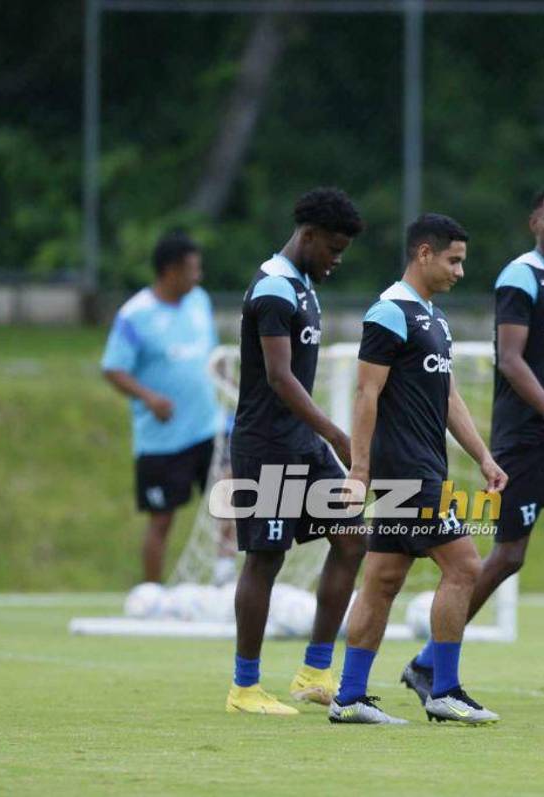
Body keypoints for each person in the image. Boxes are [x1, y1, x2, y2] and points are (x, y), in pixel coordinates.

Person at [401, 183, 544, 708]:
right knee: (507, 556)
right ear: (535, 223)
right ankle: (424, 664)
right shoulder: (519, 277)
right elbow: (510, 360)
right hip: (526, 438)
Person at [329, 213, 507, 725]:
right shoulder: (389, 313)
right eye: (453, 260)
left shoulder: (435, 319)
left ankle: (348, 698)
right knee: (466, 567)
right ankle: (442, 688)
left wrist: (484, 456)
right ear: (423, 254)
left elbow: (448, 397)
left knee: (382, 579)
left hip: (424, 467)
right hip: (405, 472)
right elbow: (367, 393)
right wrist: (359, 469)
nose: (460, 271)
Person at [225, 187, 368, 715]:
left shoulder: (304, 285)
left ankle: (313, 672)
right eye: (331, 248)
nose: (336, 260)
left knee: (353, 538)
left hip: (301, 443)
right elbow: (279, 377)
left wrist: (319, 436)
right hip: (267, 445)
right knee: (266, 558)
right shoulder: (274, 290)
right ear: (306, 236)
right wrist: (336, 432)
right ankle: (244, 688)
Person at [101, 232, 229, 584]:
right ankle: (152, 592)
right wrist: (148, 397)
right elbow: (112, 368)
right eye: (192, 269)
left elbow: (211, 356)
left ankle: (225, 574)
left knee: (229, 493)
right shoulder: (135, 315)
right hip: (162, 438)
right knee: (161, 519)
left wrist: (227, 382)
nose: (198, 276)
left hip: (207, 425)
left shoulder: (199, 301)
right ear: (170, 271)